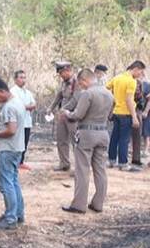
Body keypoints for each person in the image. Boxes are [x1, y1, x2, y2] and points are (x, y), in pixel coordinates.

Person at [60, 69, 114, 214]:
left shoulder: (87, 94)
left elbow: (77, 115)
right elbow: (110, 115)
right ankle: (98, 203)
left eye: (81, 83)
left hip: (87, 134)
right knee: (100, 170)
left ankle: (79, 205)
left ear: (84, 80)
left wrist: (67, 113)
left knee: (82, 169)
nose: (81, 86)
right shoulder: (109, 94)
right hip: (103, 133)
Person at [0, 77, 26, 230]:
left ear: (2, 91)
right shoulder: (18, 102)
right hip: (17, 148)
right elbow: (10, 126)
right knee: (13, 182)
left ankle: (10, 218)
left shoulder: (8, 107)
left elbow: (11, 130)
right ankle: (18, 214)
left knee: (6, 184)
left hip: (8, 149)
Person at [106, 60, 146, 171]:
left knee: (114, 137)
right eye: (140, 72)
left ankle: (111, 160)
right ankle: (123, 163)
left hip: (117, 112)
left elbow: (106, 88)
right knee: (124, 139)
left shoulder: (117, 78)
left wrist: (115, 99)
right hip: (126, 113)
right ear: (136, 69)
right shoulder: (131, 81)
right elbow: (129, 100)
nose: (140, 75)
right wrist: (134, 117)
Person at [48, 61, 79, 171]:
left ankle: (79, 168)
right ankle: (64, 163)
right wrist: (51, 108)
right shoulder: (64, 83)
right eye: (60, 73)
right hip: (62, 115)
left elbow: (75, 100)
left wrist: (63, 109)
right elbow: (59, 96)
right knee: (61, 139)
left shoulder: (77, 82)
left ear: (68, 70)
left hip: (73, 115)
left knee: (76, 141)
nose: (61, 76)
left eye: (62, 73)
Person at [10, 70, 36, 170]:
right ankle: (14, 162)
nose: (23, 80)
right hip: (17, 122)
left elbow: (33, 104)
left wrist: (27, 106)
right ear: (15, 79)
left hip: (27, 121)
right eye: (21, 77)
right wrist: (27, 106)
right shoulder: (13, 91)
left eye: (24, 77)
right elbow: (17, 105)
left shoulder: (28, 92)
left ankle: (21, 162)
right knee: (17, 143)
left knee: (25, 142)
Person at [131, 80, 146, 166]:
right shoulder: (128, 93)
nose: (137, 88)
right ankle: (121, 158)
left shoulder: (140, 95)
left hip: (138, 114)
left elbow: (141, 106)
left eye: (138, 86)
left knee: (137, 138)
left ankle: (136, 159)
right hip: (128, 114)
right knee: (124, 138)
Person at [142, 80, 150, 159]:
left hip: (147, 113)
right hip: (145, 112)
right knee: (145, 132)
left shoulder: (147, 84)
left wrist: (146, 111)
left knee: (147, 132)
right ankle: (145, 150)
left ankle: (146, 150)